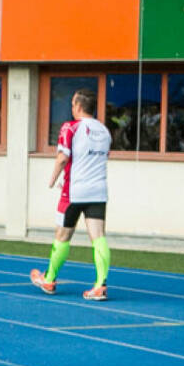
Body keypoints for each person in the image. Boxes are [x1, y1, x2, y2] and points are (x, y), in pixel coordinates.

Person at [31, 88, 112, 301]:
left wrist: (52, 181)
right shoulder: (104, 131)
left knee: (63, 235)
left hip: (74, 191)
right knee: (98, 237)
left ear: (77, 106)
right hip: (98, 190)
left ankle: (49, 280)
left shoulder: (70, 127)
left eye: (72, 104)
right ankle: (100, 285)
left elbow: (62, 158)